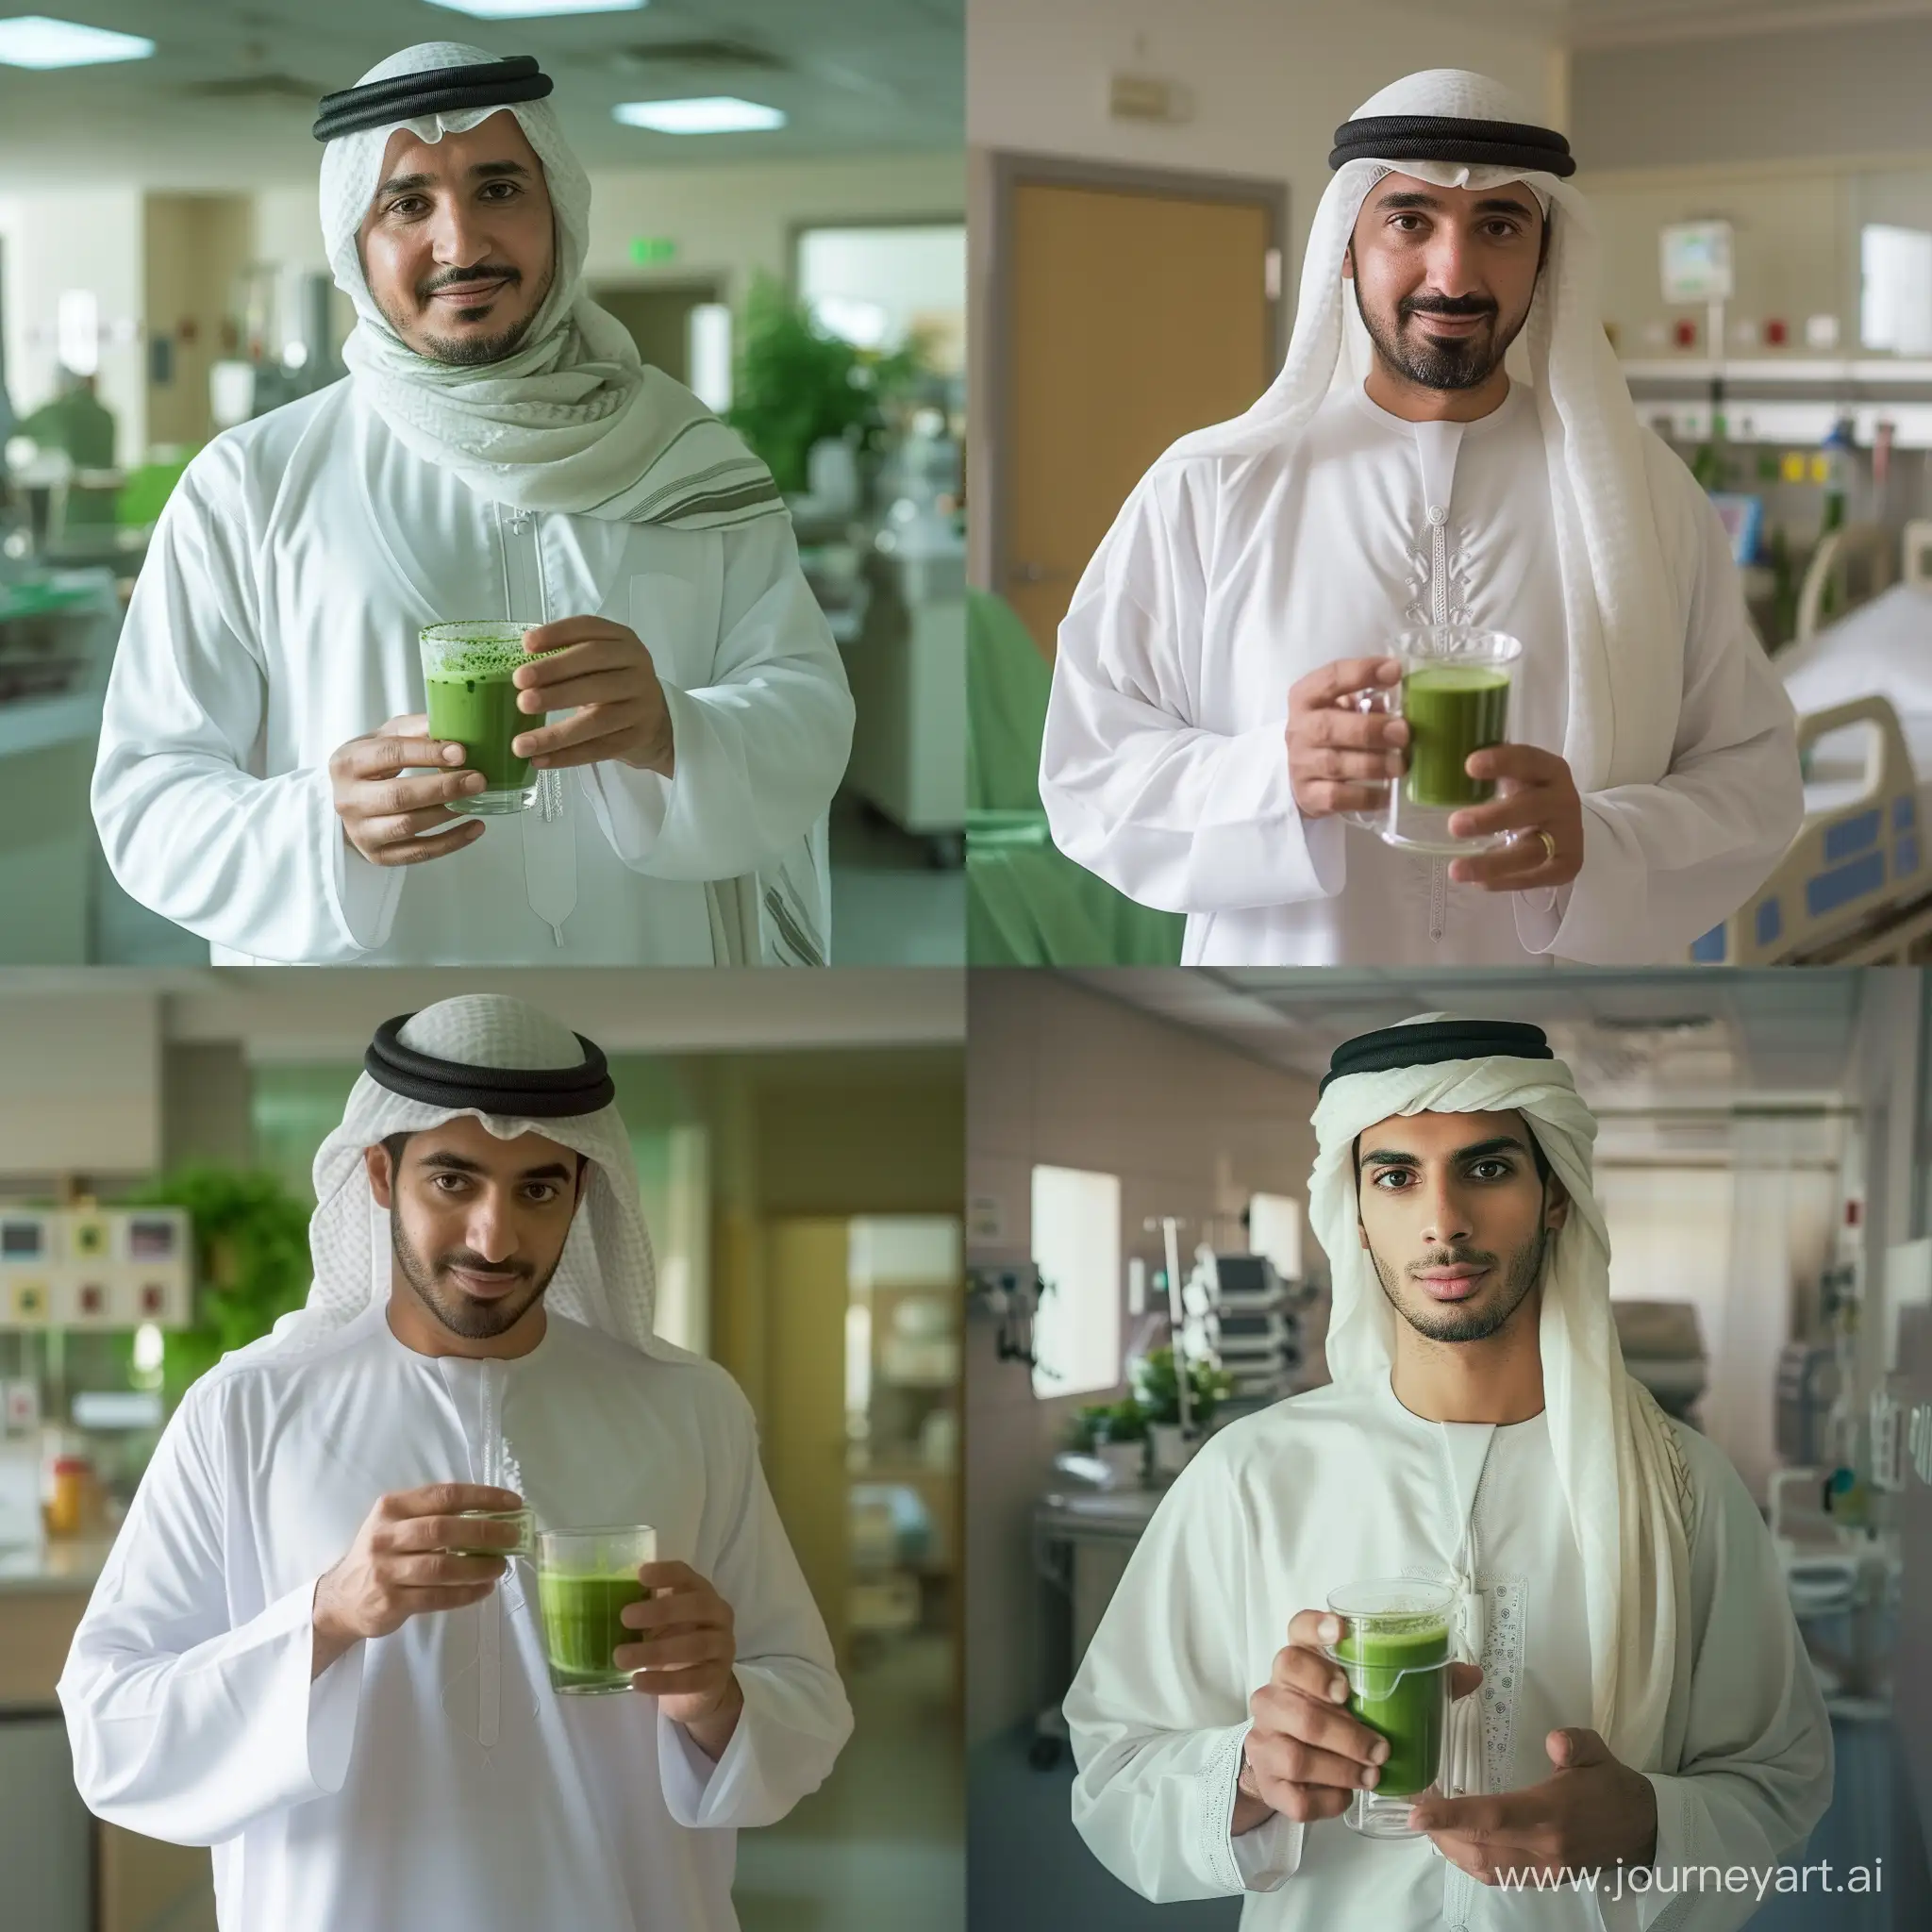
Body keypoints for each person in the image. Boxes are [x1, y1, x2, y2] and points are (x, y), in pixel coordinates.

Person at [58, 995, 852, 1931]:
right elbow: (111, 1731)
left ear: (581, 1192)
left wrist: (717, 1695)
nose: (494, 1236)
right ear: (380, 1173)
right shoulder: (247, 1411)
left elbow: (807, 1710)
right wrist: (324, 1616)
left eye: (537, 1188)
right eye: (453, 1180)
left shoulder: (688, 1406)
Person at [92, 43, 854, 966]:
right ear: (354, 242)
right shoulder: (251, 484)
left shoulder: (690, 457)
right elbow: (148, 796)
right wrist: (322, 822)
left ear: (557, 209)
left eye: (498, 190)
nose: (460, 245)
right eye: (407, 203)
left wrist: (671, 729)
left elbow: (806, 709)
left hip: (653, 983)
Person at [1065, 1016, 1832, 1929]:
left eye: (1485, 1167)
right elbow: (1111, 1770)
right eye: (1395, 1175)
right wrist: (1247, 1770)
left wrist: (1647, 1820)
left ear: (1553, 1195)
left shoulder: (1682, 1487)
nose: (1442, 1221)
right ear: (1354, 1212)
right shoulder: (1248, 1475)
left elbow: (1779, 1778)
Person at [1039, 69, 1801, 967]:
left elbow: (1752, 782)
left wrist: (1602, 836)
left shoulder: (1645, 496)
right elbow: (1089, 774)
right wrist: (1275, 775)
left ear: (1547, 255)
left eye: (1499, 227)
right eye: (1409, 221)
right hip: (1285, 1019)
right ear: (1347, 249)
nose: (1455, 273)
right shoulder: (1211, 488)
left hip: (1557, 1030)